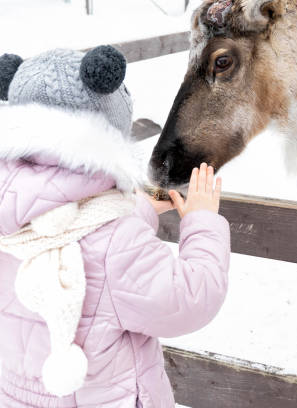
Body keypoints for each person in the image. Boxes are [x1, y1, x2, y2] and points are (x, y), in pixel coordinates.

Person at [0, 46, 230, 407]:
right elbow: (190, 298)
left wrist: (135, 208)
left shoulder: (10, 220)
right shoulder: (115, 243)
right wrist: (202, 222)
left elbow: (73, 226)